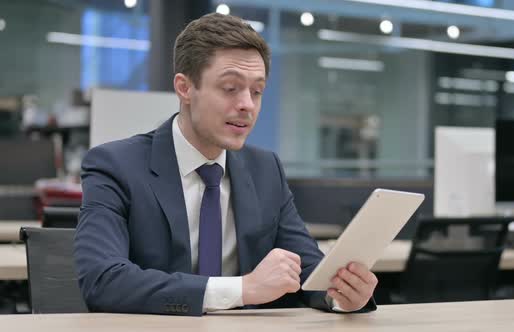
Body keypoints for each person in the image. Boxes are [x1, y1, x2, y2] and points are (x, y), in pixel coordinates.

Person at [74, 13, 377, 316]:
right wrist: (242, 288)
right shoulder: (116, 166)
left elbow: (309, 272)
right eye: (230, 88)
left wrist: (341, 294)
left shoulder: (265, 170)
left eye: (257, 91)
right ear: (185, 88)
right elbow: (104, 281)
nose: (247, 104)